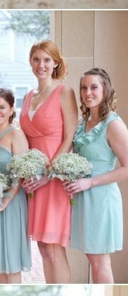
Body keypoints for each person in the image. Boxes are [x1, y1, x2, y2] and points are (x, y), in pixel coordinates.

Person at [20, 40, 78, 283]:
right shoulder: (27, 96)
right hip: (32, 181)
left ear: (55, 63)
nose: (41, 65)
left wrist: (48, 175)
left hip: (53, 179)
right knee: (43, 247)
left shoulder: (65, 92)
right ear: (31, 63)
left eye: (46, 60)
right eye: (36, 59)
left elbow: (69, 138)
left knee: (54, 246)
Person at [64, 68, 128, 283]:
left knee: (100, 263)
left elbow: (126, 167)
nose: (87, 92)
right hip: (83, 198)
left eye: (94, 87)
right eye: (84, 87)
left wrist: (89, 182)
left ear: (105, 90)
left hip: (101, 198)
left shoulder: (113, 124)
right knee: (92, 259)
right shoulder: (82, 123)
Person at [0, 88, 31, 283]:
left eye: (2, 107)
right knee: (2, 265)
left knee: (11, 264)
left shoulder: (16, 135)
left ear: (12, 109)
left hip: (12, 203)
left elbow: (21, 173)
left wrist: (5, 200)